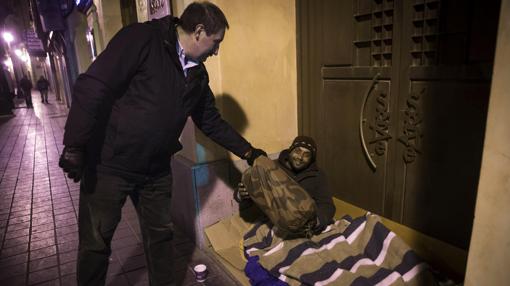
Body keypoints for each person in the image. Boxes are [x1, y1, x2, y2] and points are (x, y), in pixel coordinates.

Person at [58, 2, 266, 285]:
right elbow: (93, 85)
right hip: (110, 164)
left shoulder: (197, 74)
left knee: (160, 239)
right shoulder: (142, 39)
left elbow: (210, 121)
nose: (216, 51)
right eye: (215, 42)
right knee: (96, 243)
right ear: (199, 31)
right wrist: (75, 144)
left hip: (155, 171)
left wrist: (249, 151)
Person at [236, 136, 336, 234]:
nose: (300, 157)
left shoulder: (317, 176)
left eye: (306, 155)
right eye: (297, 151)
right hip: (272, 221)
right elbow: (255, 197)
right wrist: (242, 195)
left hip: (302, 223)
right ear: (290, 151)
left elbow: (327, 205)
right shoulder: (272, 168)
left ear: (311, 159)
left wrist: (317, 221)